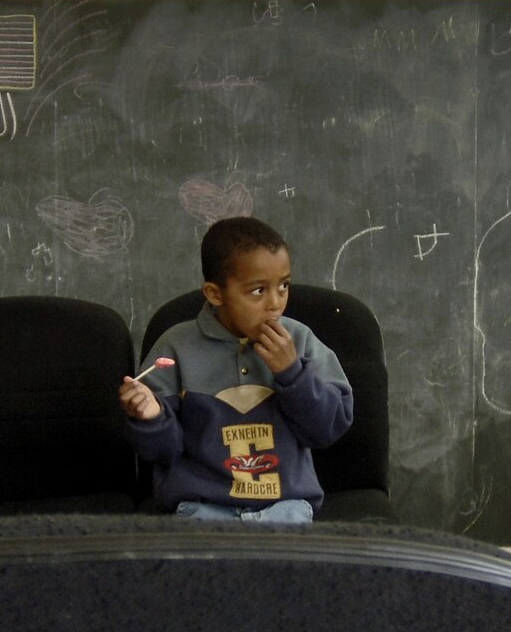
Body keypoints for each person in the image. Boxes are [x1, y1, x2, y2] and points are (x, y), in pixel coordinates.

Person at [120, 216, 354, 523]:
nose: (275, 304)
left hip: (285, 507)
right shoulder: (175, 347)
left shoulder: (300, 341)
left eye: (283, 286)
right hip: (201, 507)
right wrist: (151, 419)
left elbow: (328, 428)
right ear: (215, 294)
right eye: (258, 291)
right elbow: (161, 453)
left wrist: (292, 373)